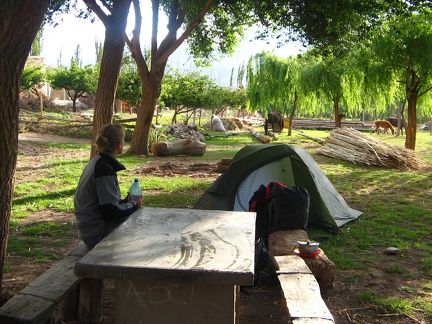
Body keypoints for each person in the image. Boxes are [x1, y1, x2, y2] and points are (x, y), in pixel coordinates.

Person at [74, 123, 143, 248]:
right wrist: (133, 204)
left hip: (90, 229)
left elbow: (108, 204)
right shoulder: (104, 169)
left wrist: (127, 202)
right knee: (143, 224)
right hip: (96, 234)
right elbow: (111, 212)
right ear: (119, 145)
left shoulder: (96, 162)